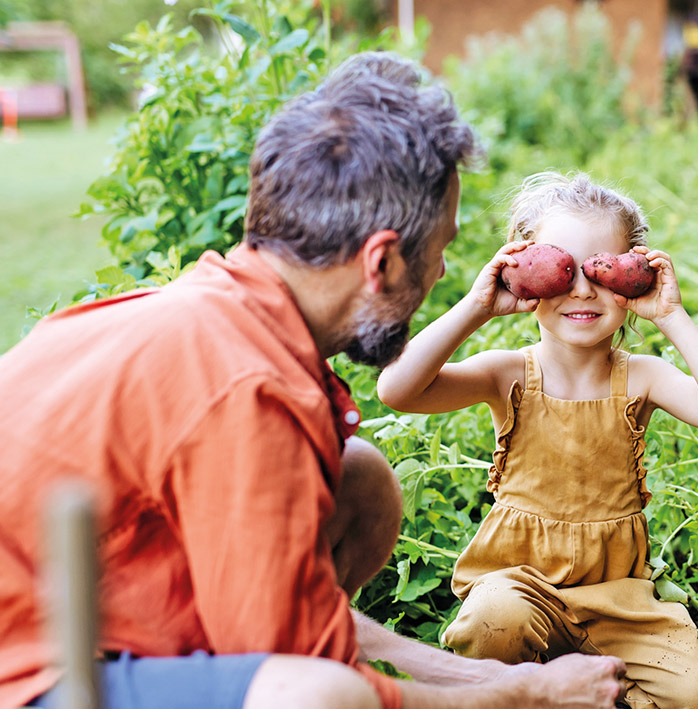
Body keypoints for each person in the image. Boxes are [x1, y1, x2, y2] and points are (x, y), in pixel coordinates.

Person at [0, 53, 626, 709]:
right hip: (26, 671)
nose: (442, 271)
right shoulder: (246, 388)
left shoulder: (221, 313)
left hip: (75, 599)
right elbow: (309, 677)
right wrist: (524, 695)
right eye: (441, 246)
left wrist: (483, 676)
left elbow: (288, 621)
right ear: (381, 259)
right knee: (316, 696)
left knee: (358, 481)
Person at [376, 172, 698, 709]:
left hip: (619, 600)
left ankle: (581, 680)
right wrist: (475, 307)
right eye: (561, 270)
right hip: (519, 586)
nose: (581, 289)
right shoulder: (506, 373)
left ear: (636, 279)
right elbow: (396, 389)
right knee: (494, 621)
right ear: (521, 276)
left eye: (603, 271)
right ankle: (520, 687)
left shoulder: (643, 377)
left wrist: (671, 315)